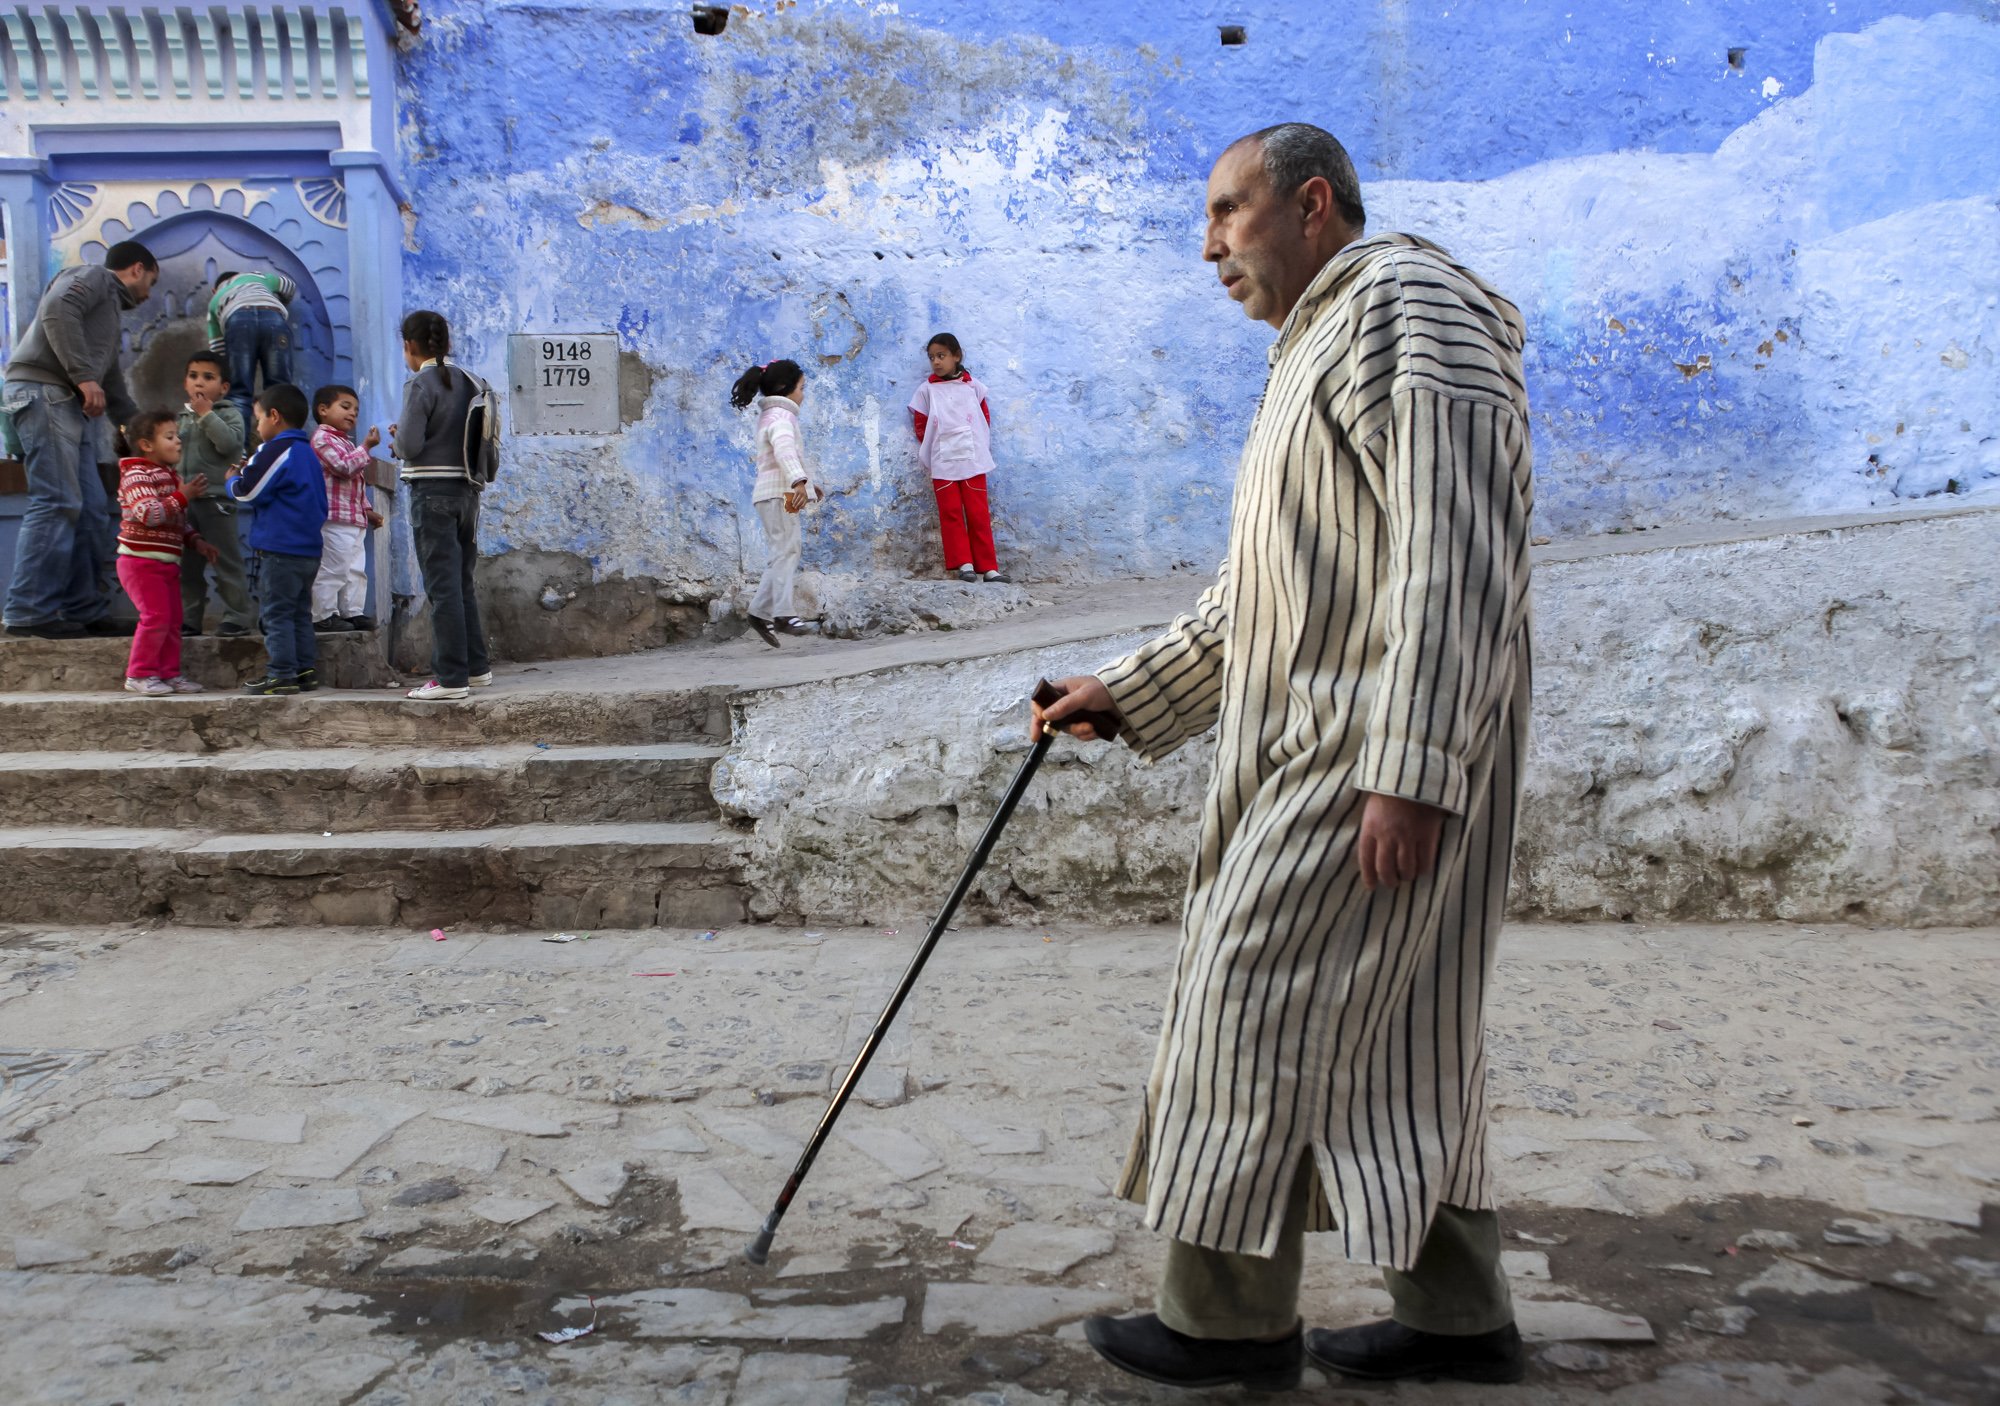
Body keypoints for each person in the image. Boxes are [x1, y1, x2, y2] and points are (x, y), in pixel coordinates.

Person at [1036, 124, 1536, 1391]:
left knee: (1239, 1000)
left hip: (1360, 757)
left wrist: (1413, 770)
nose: (1207, 246)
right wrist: (1128, 691)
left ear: (1312, 203)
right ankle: (1460, 1322)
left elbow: (1456, 564)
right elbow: (1254, 596)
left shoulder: (1407, 307)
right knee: (1399, 1041)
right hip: (1320, 751)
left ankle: (1223, 1329)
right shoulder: (1314, 340)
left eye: (1226, 212)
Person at [2, 241, 157, 639]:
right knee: (57, 500)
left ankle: (83, 608)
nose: (148, 295)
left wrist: (142, 432)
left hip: (69, 403)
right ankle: (27, 611)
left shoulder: (107, 316)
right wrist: (82, 376)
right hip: (44, 392)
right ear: (137, 269)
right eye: (151, 283)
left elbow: (111, 384)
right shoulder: (91, 277)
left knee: (89, 508)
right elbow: (58, 310)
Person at [393, 310, 491, 701]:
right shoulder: (473, 382)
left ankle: (450, 678)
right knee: (461, 582)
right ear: (448, 343)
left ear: (409, 346)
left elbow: (410, 446)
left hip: (430, 491)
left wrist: (399, 439)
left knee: (441, 587)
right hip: (468, 493)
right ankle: (476, 666)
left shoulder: (420, 383)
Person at [227, 384, 326, 696]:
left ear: (274, 416)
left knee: (276, 614)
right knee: (298, 612)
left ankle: (281, 673)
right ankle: (304, 670)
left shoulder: (277, 449)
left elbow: (249, 491)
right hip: (308, 549)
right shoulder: (308, 452)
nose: (257, 426)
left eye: (258, 419)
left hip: (281, 548)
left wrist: (232, 480)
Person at [114, 409, 219, 696]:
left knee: (173, 620)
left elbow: (176, 520)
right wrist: (183, 495)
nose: (178, 441)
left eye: (177, 436)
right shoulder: (136, 473)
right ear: (147, 445)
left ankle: (169, 673)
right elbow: (149, 513)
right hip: (139, 562)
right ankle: (140, 673)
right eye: (169, 436)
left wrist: (196, 541)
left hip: (167, 563)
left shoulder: (169, 477)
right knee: (156, 617)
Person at [730, 358, 821, 649]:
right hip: (778, 494)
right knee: (786, 551)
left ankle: (760, 612)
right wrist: (799, 481)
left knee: (782, 552)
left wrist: (809, 486)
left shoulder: (770, 417)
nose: (803, 394)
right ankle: (782, 614)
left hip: (769, 494)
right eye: (802, 388)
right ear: (786, 388)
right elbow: (784, 451)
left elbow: (782, 456)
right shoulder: (783, 418)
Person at [908, 333, 1005, 584]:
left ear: (956, 356)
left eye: (941, 356)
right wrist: (935, 445)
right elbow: (920, 423)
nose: (936, 362)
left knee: (978, 512)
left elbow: (984, 418)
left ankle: (989, 567)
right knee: (950, 512)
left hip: (973, 458)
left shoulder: (973, 387)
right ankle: (965, 564)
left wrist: (978, 443)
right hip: (943, 458)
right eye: (932, 358)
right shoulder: (926, 390)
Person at [176, 353, 256, 637]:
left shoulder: (227, 413)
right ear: (185, 382)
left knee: (226, 561)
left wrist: (206, 415)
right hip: (186, 502)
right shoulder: (181, 418)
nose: (199, 382)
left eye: (208, 377)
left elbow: (230, 446)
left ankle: (238, 616)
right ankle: (189, 618)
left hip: (217, 501)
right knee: (188, 566)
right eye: (194, 376)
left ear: (223, 388)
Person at [309, 384, 385, 633]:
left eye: (356, 410)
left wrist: (367, 510)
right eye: (345, 407)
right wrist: (366, 447)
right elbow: (343, 468)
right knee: (333, 566)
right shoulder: (322, 439)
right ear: (323, 410)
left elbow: (356, 485)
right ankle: (322, 614)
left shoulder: (346, 443)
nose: (352, 413)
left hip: (353, 519)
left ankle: (352, 612)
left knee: (354, 568)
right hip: (334, 517)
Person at [205, 268, 298, 454]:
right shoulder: (260, 277)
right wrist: (279, 300)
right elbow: (289, 286)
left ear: (215, 290)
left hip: (237, 320)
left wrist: (227, 375)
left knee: (239, 391)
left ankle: (240, 453)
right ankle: (284, 448)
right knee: (279, 388)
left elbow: (218, 353)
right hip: (274, 317)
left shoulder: (215, 301)